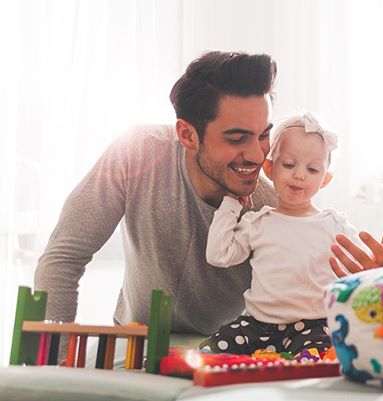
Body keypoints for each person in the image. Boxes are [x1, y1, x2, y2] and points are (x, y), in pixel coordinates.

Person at [33, 51, 279, 335]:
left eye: (263, 135)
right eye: (237, 139)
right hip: (133, 345)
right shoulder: (136, 152)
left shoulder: (272, 208)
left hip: (221, 357)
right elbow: (63, 257)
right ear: (187, 135)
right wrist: (57, 365)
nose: (257, 154)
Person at [200, 113, 361, 355]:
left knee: (316, 359)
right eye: (288, 164)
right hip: (257, 325)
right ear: (269, 168)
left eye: (313, 169)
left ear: (325, 179)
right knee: (207, 353)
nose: (299, 174)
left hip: (312, 325)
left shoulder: (334, 224)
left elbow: (366, 266)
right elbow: (218, 255)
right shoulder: (257, 222)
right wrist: (231, 206)